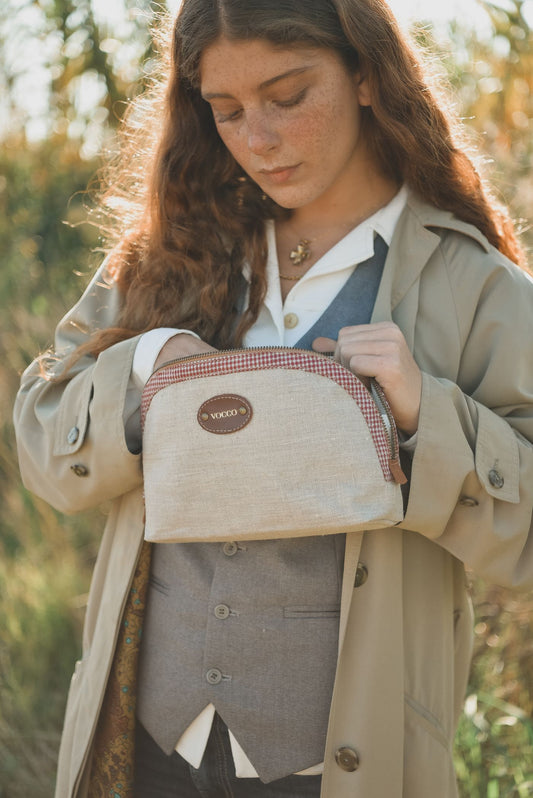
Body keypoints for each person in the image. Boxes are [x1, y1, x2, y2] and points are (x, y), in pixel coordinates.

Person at [13, 0, 533, 796]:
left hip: (339, 763)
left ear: (365, 74)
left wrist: (429, 415)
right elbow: (43, 440)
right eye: (225, 112)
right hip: (145, 746)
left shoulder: (473, 285)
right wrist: (149, 361)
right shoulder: (166, 257)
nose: (258, 138)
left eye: (287, 97)